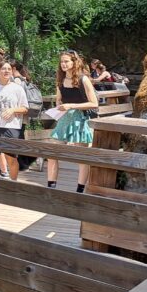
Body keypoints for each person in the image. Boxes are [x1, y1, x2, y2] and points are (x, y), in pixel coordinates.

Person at [48, 50, 99, 193]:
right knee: (52, 152)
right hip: (65, 117)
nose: (63, 64)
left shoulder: (83, 79)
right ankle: (51, 186)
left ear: (74, 62)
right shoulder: (60, 80)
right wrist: (59, 105)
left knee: (81, 155)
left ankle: (80, 189)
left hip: (81, 118)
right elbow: (59, 98)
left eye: (66, 61)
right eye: (62, 62)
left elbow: (94, 103)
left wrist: (72, 106)